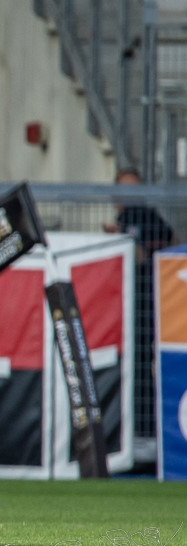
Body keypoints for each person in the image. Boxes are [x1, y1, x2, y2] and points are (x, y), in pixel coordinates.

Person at [104, 168, 176, 440]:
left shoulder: (149, 219)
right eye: (125, 190)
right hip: (126, 312)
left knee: (145, 368)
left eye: (134, 190)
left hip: (151, 309)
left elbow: (156, 252)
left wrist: (124, 239)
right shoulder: (125, 220)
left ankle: (146, 431)